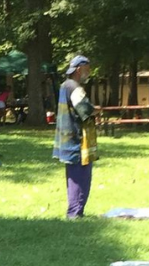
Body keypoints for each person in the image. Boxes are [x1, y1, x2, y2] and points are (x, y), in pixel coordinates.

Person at [54, 54, 98, 218]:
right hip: (77, 140)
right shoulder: (75, 88)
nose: (89, 72)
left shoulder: (64, 85)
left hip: (66, 139)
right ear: (79, 69)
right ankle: (75, 212)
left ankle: (74, 211)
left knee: (72, 177)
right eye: (87, 69)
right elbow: (85, 109)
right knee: (81, 177)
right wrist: (97, 109)